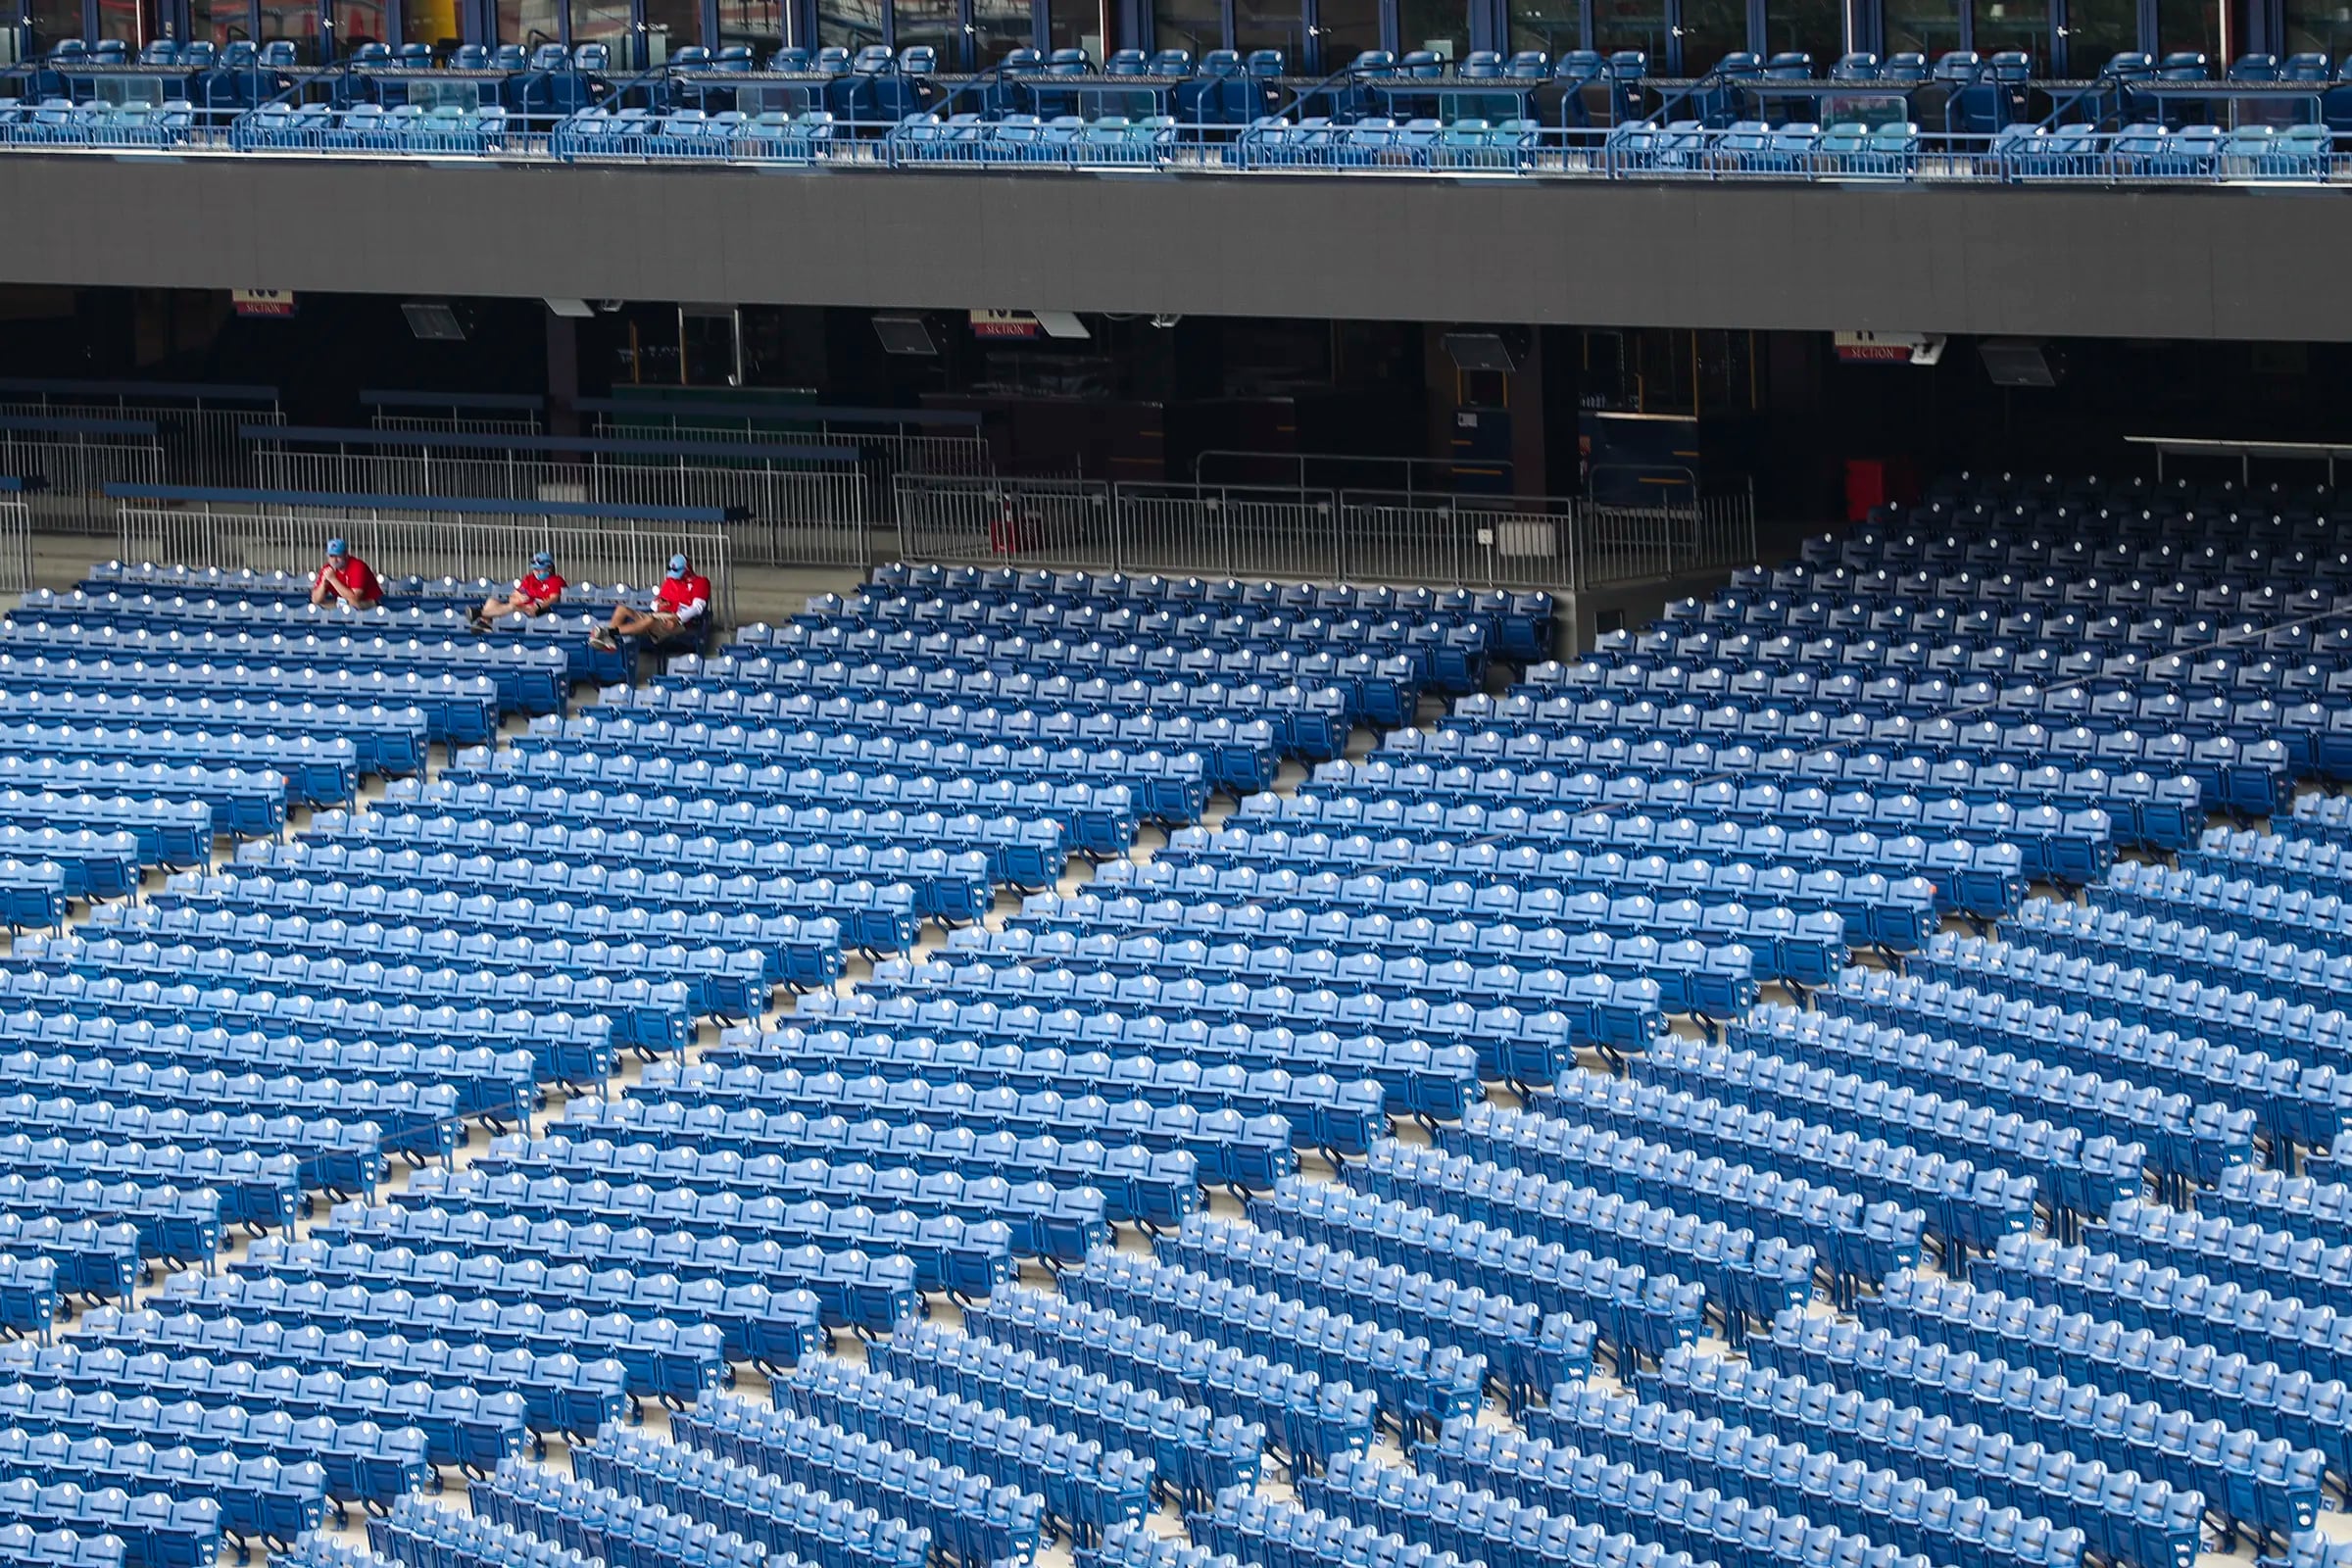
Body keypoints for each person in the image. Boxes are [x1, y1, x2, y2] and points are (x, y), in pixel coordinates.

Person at [590, 554, 710, 652]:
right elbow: (654, 604)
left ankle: (608, 632)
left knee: (649, 620)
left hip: (677, 621)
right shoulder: (671, 581)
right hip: (658, 615)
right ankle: (609, 639)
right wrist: (659, 604)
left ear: (687, 570)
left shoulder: (701, 582)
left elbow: (698, 607)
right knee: (622, 609)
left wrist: (677, 617)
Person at [471, 551, 566, 632]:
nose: (536, 572)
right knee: (492, 601)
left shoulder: (556, 580)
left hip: (538, 612)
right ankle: (484, 623)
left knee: (511, 607)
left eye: (539, 569)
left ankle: (479, 614)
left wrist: (537, 606)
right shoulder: (529, 579)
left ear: (549, 568)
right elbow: (513, 597)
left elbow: (553, 598)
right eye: (535, 569)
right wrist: (519, 598)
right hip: (522, 607)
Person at [310, 538, 384, 609]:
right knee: (315, 607)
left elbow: (355, 598)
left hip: (369, 602)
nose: (334, 560)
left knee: (352, 605)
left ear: (346, 555)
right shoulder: (327, 569)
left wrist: (333, 580)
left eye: (338, 556)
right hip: (343, 603)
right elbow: (315, 600)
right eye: (331, 556)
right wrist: (323, 584)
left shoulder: (357, 566)